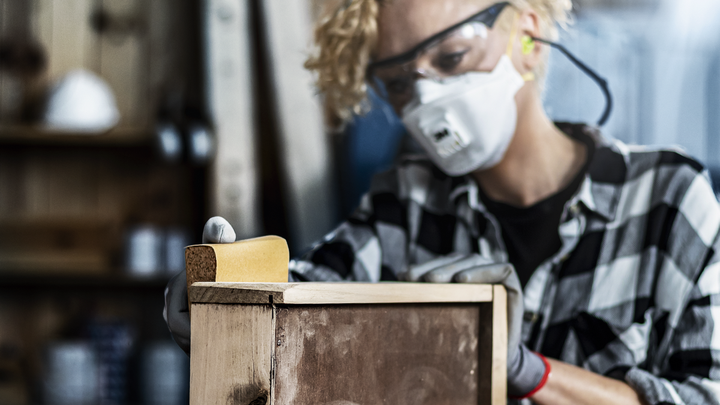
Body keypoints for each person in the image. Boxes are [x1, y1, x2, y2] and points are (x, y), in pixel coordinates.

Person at [164, 0, 720, 403]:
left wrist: (526, 370)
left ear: (527, 34)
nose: (427, 101)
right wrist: (223, 300)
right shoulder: (404, 201)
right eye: (402, 83)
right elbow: (305, 291)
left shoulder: (669, 201)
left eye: (451, 59)